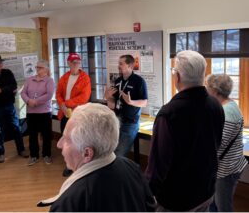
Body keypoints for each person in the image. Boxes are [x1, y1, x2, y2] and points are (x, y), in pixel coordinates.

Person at [37, 103, 156, 212]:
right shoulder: (131, 167)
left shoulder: (70, 202)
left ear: (87, 153)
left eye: (67, 139)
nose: (59, 144)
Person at [145, 50, 225, 211]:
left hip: (176, 199)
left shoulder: (169, 114)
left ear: (177, 77)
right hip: (206, 190)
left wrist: (146, 196)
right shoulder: (216, 105)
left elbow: (157, 167)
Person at [206, 74, 247, 212]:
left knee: (223, 207)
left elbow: (218, 143)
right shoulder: (225, 105)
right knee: (213, 203)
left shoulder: (228, 113)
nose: (206, 90)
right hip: (222, 167)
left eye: (208, 88)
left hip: (226, 170)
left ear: (215, 91)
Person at [0, 54, 28, 163]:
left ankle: (21, 150)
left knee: (16, 128)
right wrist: (7, 90)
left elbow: (14, 86)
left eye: (0, 62)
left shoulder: (8, 72)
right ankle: (0, 153)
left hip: (9, 105)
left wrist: (1, 90)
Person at [56, 53, 91, 176]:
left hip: (78, 114)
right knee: (66, 140)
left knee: (78, 141)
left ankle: (79, 166)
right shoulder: (64, 77)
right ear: (68, 63)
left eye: (78, 62)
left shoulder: (85, 78)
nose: (76, 64)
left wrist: (67, 103)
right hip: (64, 112)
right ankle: (69, 166)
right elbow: (58, 93)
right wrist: (62, 105)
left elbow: (84, 97)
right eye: (73, 62)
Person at [105, 54, 148, 156]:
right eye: (118, 63)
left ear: (130, 66)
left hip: (130, 123)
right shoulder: (118, 81)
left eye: (121, 64)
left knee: (118, 154)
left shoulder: (139, 81)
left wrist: (131, 102)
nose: (118, 66)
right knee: (109, 152)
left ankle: (119, 171)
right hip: (116, 120)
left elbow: (144, 102)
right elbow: (112, 104)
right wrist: (107, 97)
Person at [21, 61, 55, 166]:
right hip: (31, 112)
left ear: (46, 69)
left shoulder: (50, 80)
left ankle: (46, 155)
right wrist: (28, 101)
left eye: (40, 67)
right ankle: (34, 155)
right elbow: (23, 92)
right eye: (37, 67)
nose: (37, 69)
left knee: (46, 135)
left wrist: (36, 101)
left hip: (44, 112)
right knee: (32, 135)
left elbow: (49, 95)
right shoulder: (29, 79)